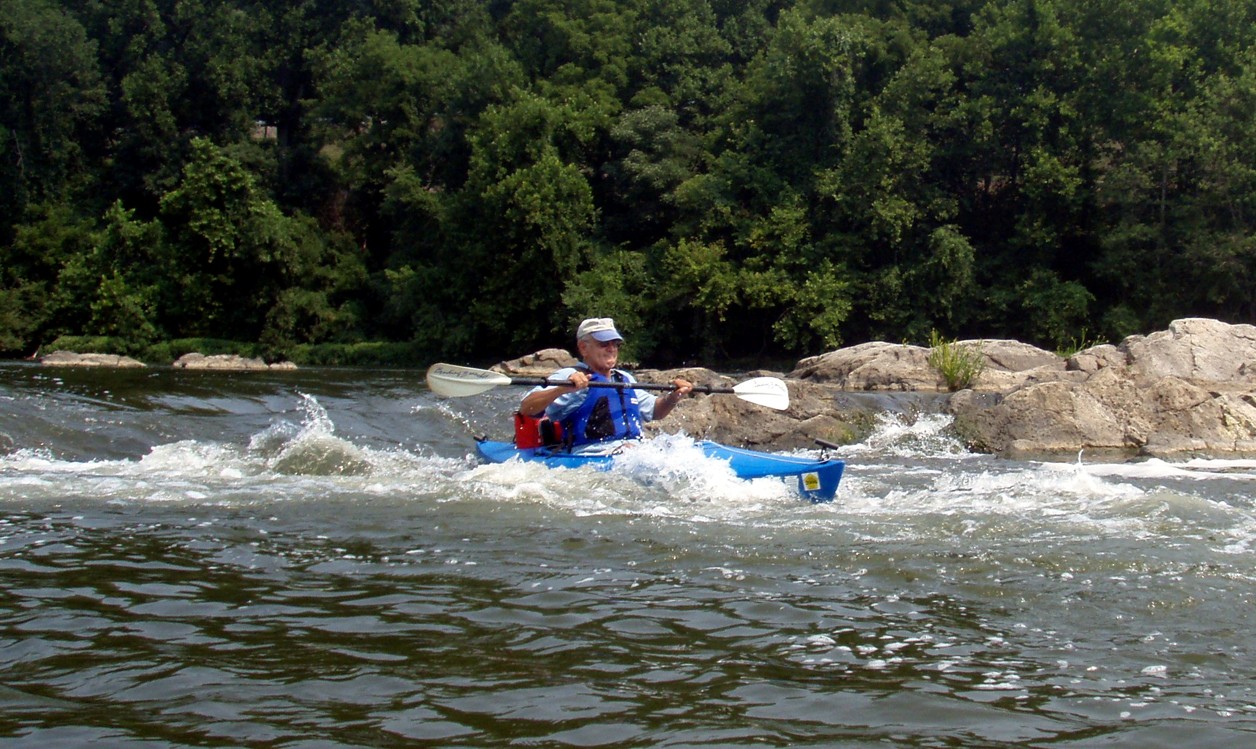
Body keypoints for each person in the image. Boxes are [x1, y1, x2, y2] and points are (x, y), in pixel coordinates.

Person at [519, 318, 693, 450]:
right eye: (604, 344)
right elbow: (527, 408)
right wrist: (562, 388)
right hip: (591, 455)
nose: (611, 349)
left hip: (633, 452)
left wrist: (673, 397)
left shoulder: (624, 378)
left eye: (615, 344)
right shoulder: (570, 375)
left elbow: (656, 411)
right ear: (583, 348)